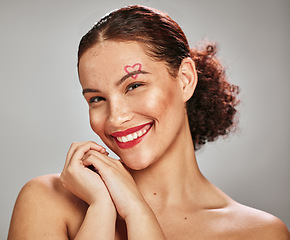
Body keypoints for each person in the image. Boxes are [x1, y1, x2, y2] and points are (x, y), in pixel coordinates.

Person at [8, 5, 290, 240]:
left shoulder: (259, 232)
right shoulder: (46, 200)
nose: (116, 117)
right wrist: (101, 208)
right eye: (96, 99)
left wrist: (137, 211)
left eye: (134, 86)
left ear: (185, 80)